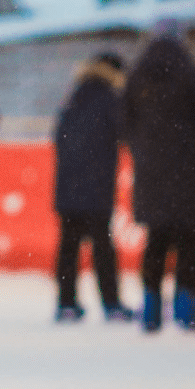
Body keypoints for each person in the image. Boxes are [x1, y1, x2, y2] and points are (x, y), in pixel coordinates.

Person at [121, 22, 195, 332]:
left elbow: (123, 124)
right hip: (188, 171)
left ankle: (152, 307)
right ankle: (188, 307)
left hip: (150, 174)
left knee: (156, 240)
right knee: (189, 240)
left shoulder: (137, 75)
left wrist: (146, 148)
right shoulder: (189, 71)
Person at [50, 50, 130, 323]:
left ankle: (66, 302)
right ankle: (111, 302)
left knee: (68, 245)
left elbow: (58, 135)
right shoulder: (110, 98)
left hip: (68, 180)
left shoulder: (74, 95)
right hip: (97, 181)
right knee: (102, 245)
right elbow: (124, 131)